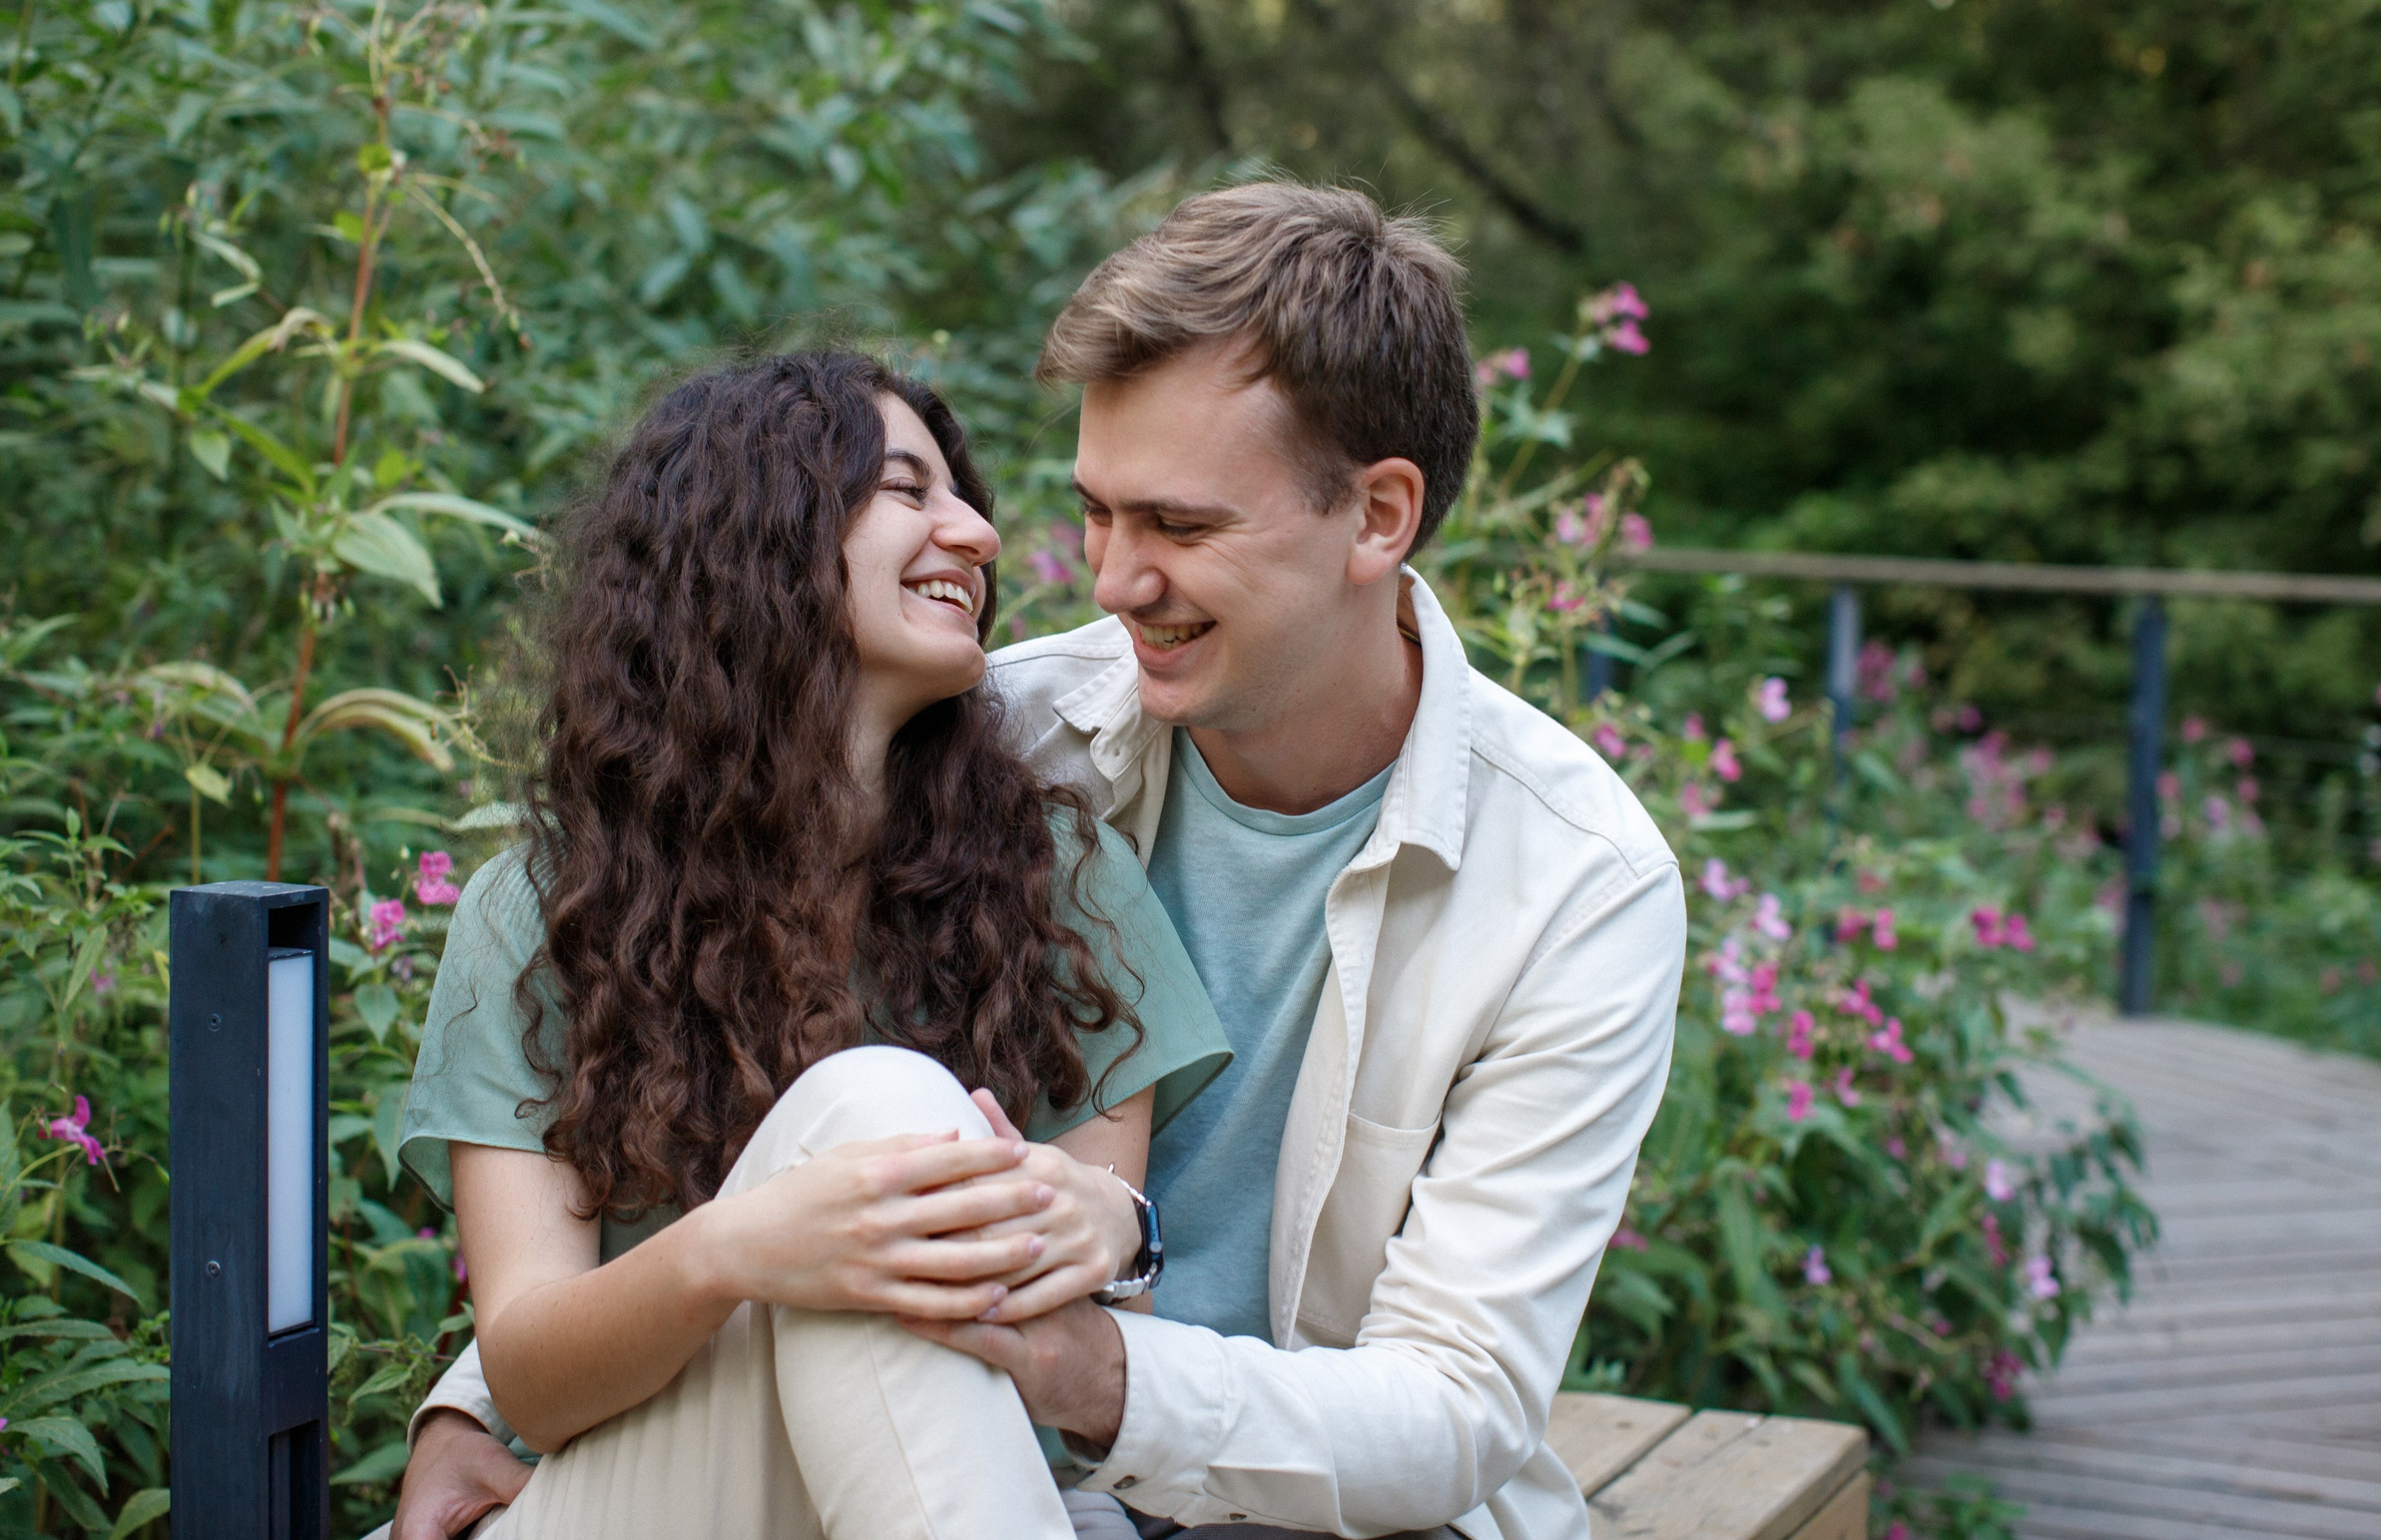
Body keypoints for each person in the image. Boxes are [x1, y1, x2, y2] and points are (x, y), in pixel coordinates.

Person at [397, 185, 1687, 1540]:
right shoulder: (979, 737)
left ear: (1377, 518)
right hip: (935, 1469)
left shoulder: (1575, 882)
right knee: (888, 1117)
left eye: (1180, 527)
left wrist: (1095, 1360)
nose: (1112, 580)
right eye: (1097, 513)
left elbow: (1454, 1406)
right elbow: (687, 963)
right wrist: (475, 1403)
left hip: (1284, 1503)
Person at [390, 352, 1230, 1540]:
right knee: (883, 1106)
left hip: (951, 1481)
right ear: (758, 535)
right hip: (639, 1497)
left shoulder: (1060, 881)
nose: (977, 533)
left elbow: (1092, 1319)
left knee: (885, 1142)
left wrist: (1087, 1232)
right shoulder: (546, 910)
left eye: (962, 495)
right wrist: (745, 1249)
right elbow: (527, 1377)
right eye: (908, 491)